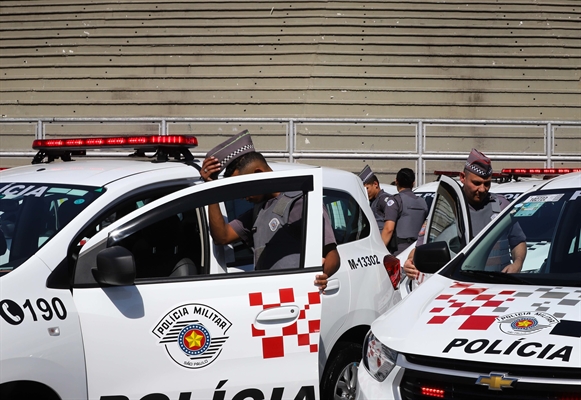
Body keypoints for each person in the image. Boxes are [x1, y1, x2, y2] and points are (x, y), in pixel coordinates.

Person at [200, 130, 340, 291]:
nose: (241, 196)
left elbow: (332, 255)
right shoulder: (258, 210)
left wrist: (322, 275)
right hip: (268, 296)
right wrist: (211, 186)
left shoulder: (300, 201)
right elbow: (222, 236)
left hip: (296, 297)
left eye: (243, 187)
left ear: (258, 173)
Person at [404, 148, 526, 280]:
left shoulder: (502, 206)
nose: (482, 189)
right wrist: (410, 262)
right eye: (476, 183)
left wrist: (517, 264)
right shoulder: (447, 208)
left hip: (496, 284)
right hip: (458, 284)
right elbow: (423, 246)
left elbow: (518, 241)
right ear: (463, 177)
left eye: (487, 184)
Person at [383, 168, 428, 256]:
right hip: (418, 250)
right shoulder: (423, 202)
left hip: (398, 251)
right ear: (413, 183)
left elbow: (389, 229)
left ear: (396, 181)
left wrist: (379, 251)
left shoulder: (395, 200)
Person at [358, 165, 393, 247]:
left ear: (375, 184)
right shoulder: (372, 201)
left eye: (367, 188)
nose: (365, 192)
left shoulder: (384, 199)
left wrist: (381, 247)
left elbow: (389, 228)